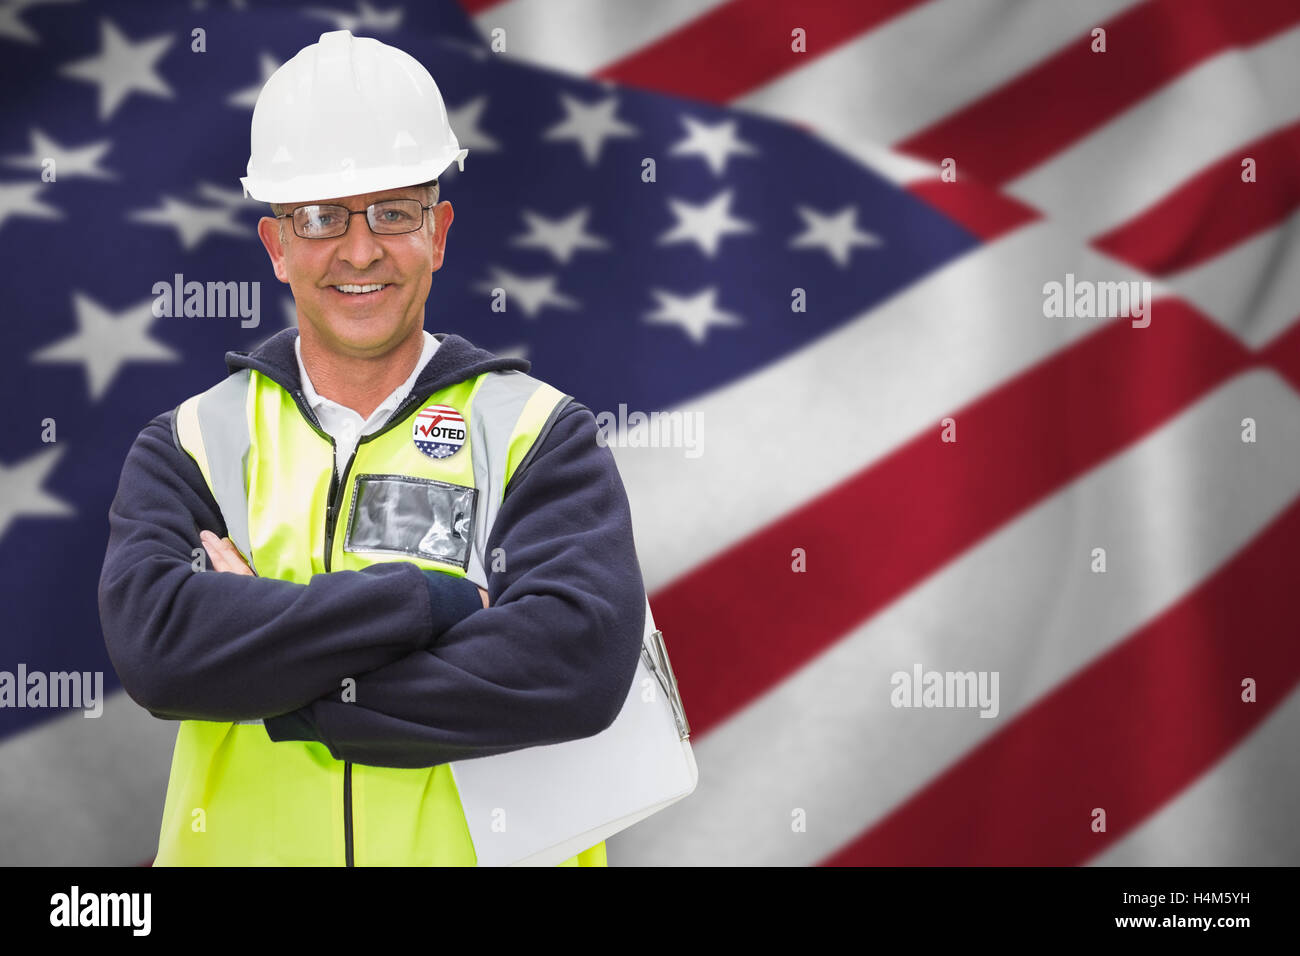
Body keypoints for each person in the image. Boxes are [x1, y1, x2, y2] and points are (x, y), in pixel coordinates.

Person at [97, 30, 647, 866]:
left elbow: (576, 668)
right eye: (320, 217)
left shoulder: (541, 435)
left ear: (440, 231)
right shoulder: (192, 446)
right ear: (277, 247)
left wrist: (277, 674)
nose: (360, 250)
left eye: (394, 212)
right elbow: (162, 654)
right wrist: (437, 605)